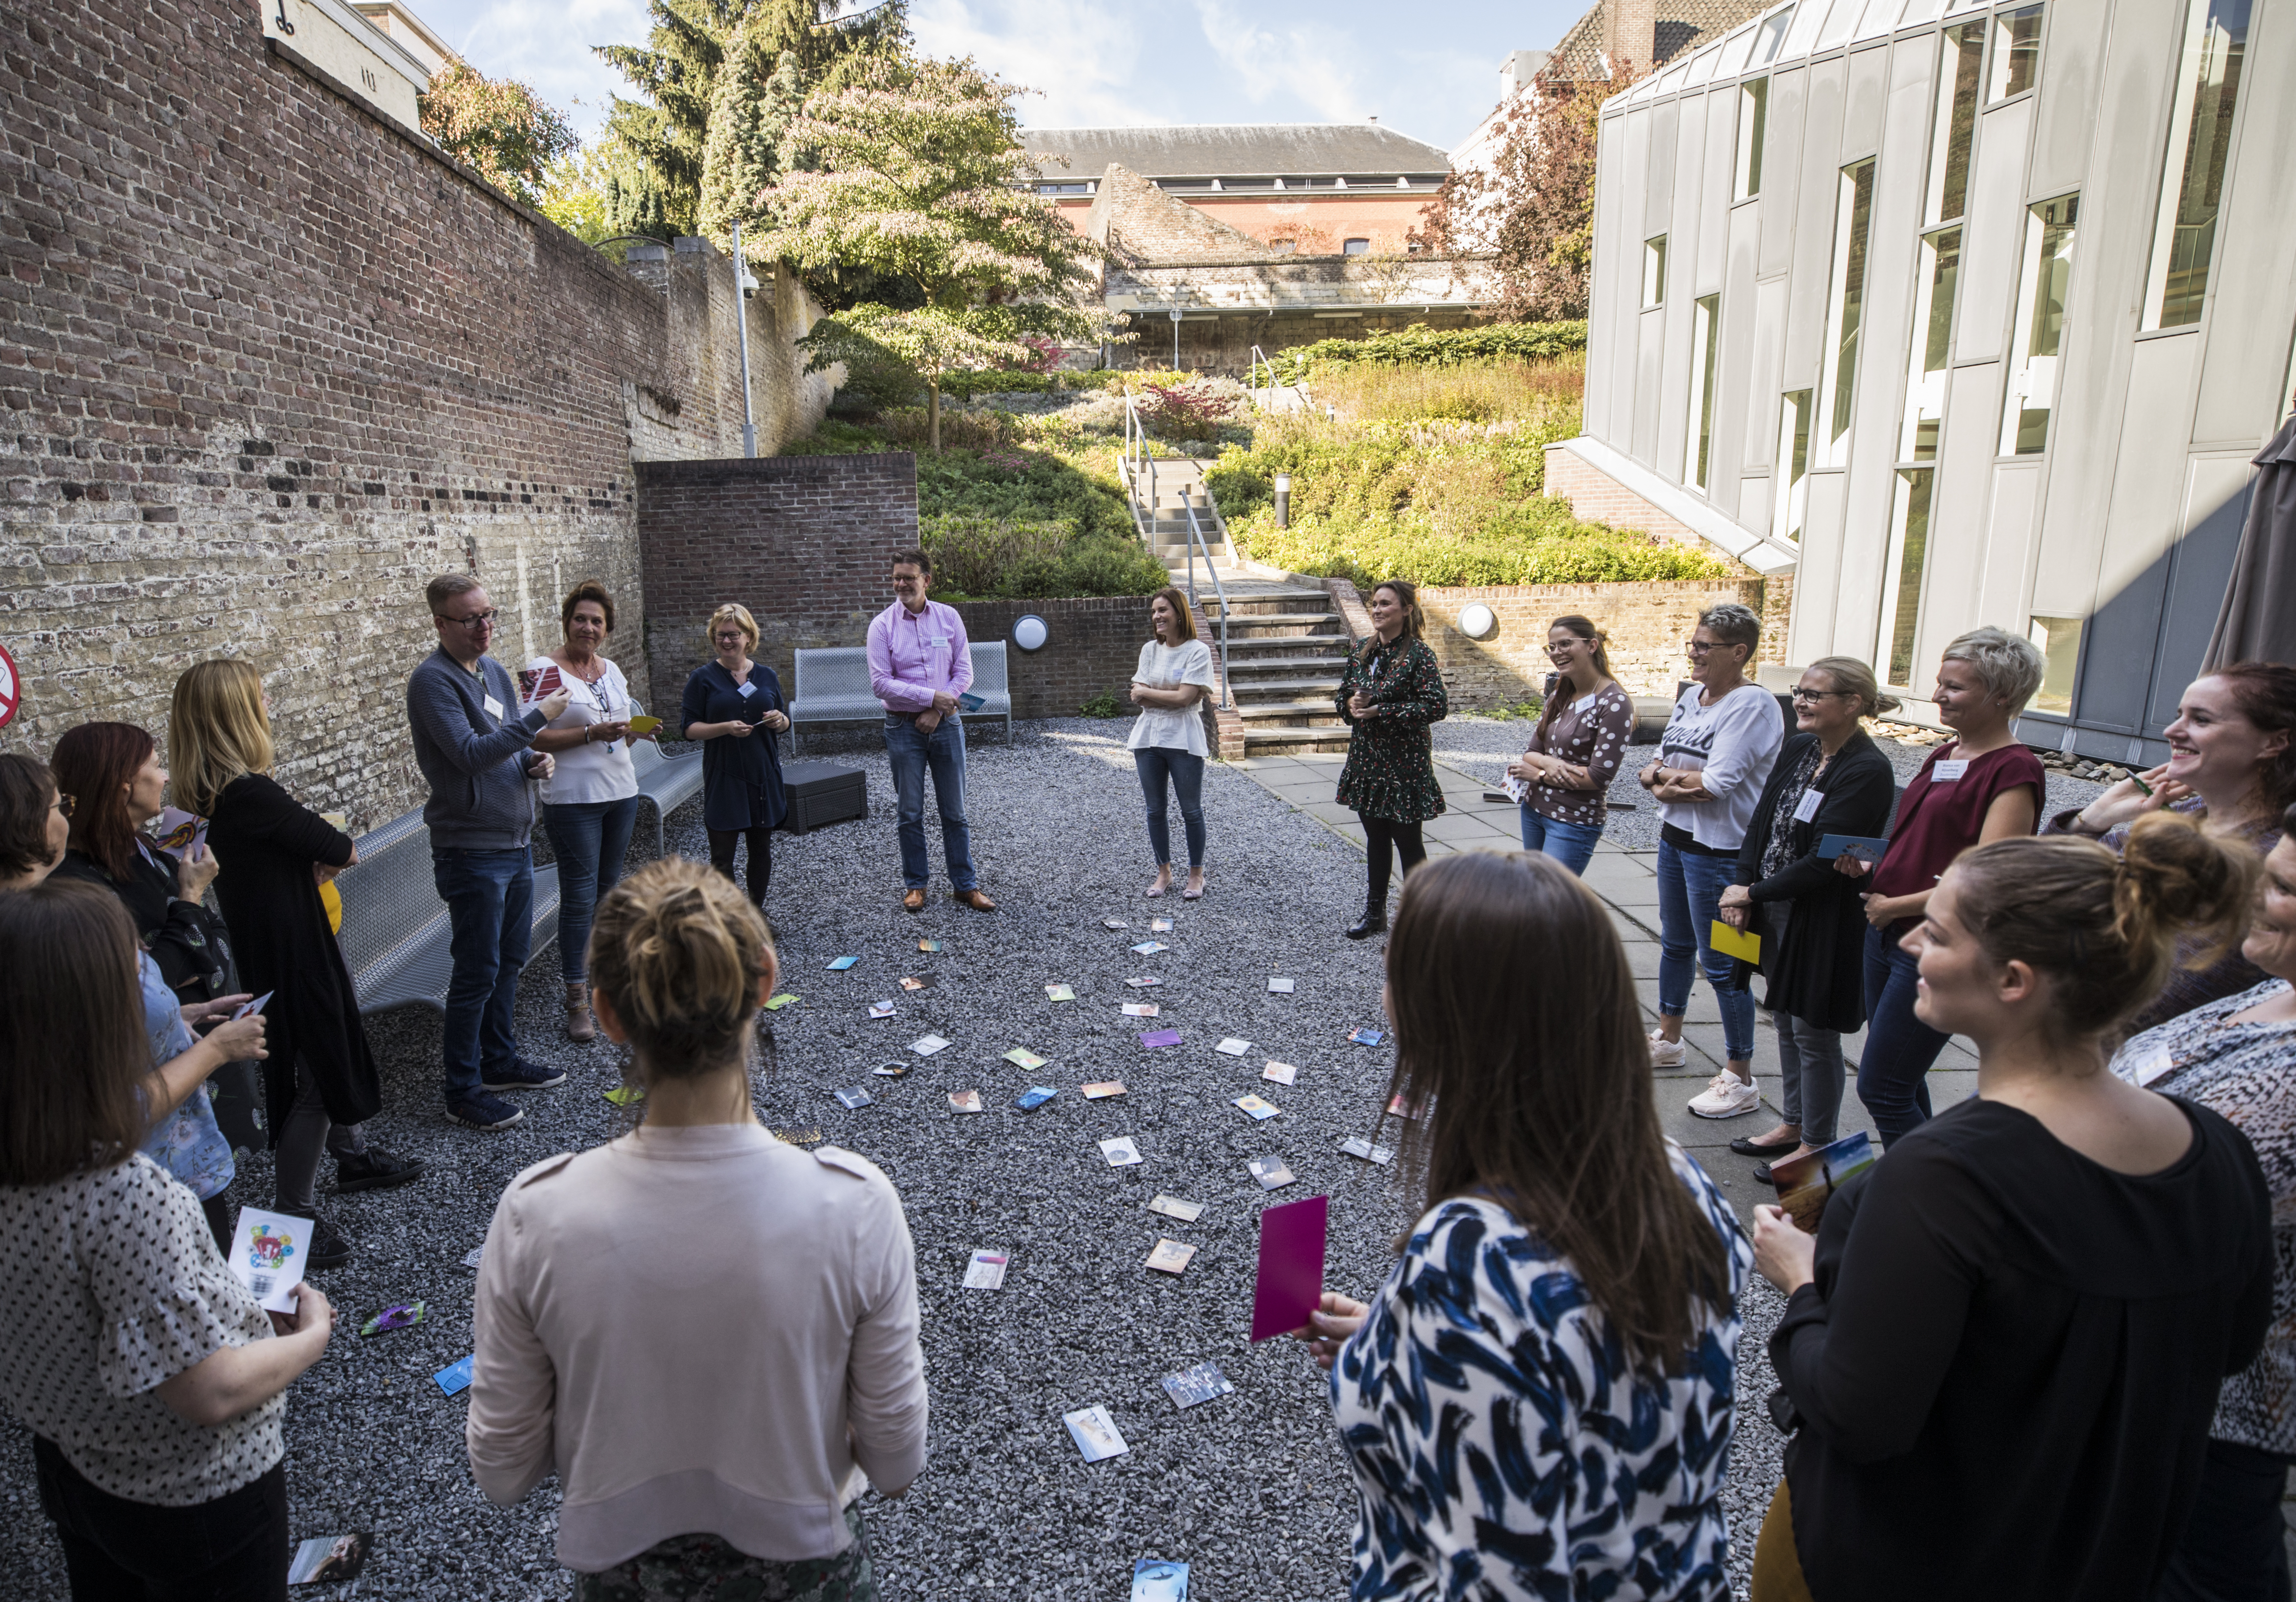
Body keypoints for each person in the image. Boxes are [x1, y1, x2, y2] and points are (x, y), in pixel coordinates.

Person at [1749, 817, 2273, 1602]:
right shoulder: (2217, 1151)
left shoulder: (1943, 1179)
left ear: (2014, 981)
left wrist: (1800, 1286)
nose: (1910, 945)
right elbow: (2230, 1348)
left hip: (1935, 1558)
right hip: (2107, 1552)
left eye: (1938, 932)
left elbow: (1860, 1416)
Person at [1292, 851, 1751, 1598]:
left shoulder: (1469, 1261)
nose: (1384, 998)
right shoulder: (1678, 1179)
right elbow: (1580, 1362)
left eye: (1395, 975)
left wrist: (1433, 1331)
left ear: (1454, 1015)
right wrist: (1403, 1337)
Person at [467, 859, 926, 1600]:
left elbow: (503, 1471)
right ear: (765, 980)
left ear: (609, 1013)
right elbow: (897, 1461)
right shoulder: (855, 1205)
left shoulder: (535, 1214)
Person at [0, 874, 335, 1602]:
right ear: (97, 1016)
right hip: (192, 1497)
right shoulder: (131, 1199)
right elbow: (209, 1391)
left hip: (71, 1464)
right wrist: (311, 1333)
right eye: (135, 972)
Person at [175, 660, 422, 1269]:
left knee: (321, 1058)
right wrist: (314, 854)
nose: (267, 706)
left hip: (267, 944)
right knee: (312, 1072)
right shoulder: (250, 792)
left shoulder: (201, 797)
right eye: (258, 698)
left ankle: (352, 1157)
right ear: (236, 713)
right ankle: (293, 1211)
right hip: (295, 950)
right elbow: (340, 846)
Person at [2106, 812, 2296, 1602]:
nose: (2257, 896)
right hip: (2160, 1374)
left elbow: (2148, 1206)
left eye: (2282, 888)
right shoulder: (2276, 991)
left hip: (2224, 1401)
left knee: (2213, 1570)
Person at [0, 753, 270, 1251]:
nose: (68, 816)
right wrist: (216, 1050)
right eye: (60, 806)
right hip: (132, 1187)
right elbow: (110, 1107)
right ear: (32, 826)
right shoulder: (65, 928)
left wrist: (173, 1012)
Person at [1838, 626, 2047, 1145]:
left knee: (1881, 1087)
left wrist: (1896, 905)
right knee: (1899, 1082)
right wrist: (1868, 864)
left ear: (2001, 694)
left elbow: (1991, 873)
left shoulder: (2014, 768)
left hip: (1934, 943)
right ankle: (1917, 1184)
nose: (1936, 696)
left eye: (1954, 687)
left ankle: (1925, 1192)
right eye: (1939, 683)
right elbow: (1916, 839)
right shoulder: (1944, 754)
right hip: (1886, 932)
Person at [1717, 659, 1900, 1182]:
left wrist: (1749, 891)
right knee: (1782, 1015)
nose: (1800, 701)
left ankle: (1817, 1146)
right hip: (1773, 903)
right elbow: (1760, 820)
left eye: (1815, 695)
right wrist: (1743, 885)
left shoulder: (1866, 768)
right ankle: (1793, 1125)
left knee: (1812, 1030)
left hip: (1820, 917)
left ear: (1853, 704)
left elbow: (1825, 861)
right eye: (1799, 691)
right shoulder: (1800, 749)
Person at [2046, 661, 2295, 1036]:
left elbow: (2173, 992)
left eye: (2202, 720)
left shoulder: (2276, 860)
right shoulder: (2185, 814)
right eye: (2180, 715)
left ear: (2274, 742)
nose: (2171, 731)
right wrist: (2092, 819)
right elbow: (2027, 884)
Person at [407, 573, 572, 1130]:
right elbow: (471, 754)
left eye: (489, 614)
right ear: (441, 623)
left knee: (510, 960)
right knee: (475, 971)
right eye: (470, 618)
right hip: (471, 850)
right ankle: (463, 1089)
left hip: (516, 841)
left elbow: (506, 752)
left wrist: (533, 762)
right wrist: (537, 721)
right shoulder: (432, 683)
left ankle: (499, 1060)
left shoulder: (495, 672)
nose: (485, 627)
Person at [1638, 602, 1783, 1115]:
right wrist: (1672, 783)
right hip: (1676, 843)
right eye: (1693, 644)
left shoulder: (1752, 705)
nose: (1694, 654)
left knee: (1727, 967)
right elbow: (1651, 765)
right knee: (1675, 944)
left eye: (1704, 646)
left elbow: (1718, 785)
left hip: (1722, 858)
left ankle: (1740, 1077)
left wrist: (1663, 783)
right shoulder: (1692, 698)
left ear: (1738, 652)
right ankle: (1670, 1040)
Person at [523, 578, 645, 1043]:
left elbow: (623, 724)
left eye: (597, 621)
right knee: (578, 899)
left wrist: (634, 731)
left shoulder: (610, 669)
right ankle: (576, 999)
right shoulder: (541, 669)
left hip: (621, 791)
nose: (588, 628)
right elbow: (530, 735)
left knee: (607, 891)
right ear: (566, 622)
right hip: (573, 799)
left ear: (607, 629)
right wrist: (593, 735)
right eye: (581, 619)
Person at [49, 722, 230, 1006]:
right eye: (158, 767)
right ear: (124, 785)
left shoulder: (147, 844)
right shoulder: (75, 885)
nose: (166, 778)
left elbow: (216, 930)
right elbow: (146, 988)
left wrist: (195, 960)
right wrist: (191, 894)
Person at [867, 548, 995, 913]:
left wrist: (937, 712)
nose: (901, 584)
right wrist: (930, 699)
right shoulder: (882, 626)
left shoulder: (949, 618)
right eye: (897, 577)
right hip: (903, 728)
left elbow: (964, 673)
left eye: (909, 577)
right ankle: (916, 885)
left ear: (927, 579)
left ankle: (965, 886)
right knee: (909, 811)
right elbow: (881, 684)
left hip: (946, 726)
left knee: (955, 812)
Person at [1335, 579, 1448, 940]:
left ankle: (1418, 919)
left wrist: (1384, 711)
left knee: (1408, 842)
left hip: (1404, 764)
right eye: (1375, 604)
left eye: (1386, 604)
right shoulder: (1361, 651)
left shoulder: (1419, 655)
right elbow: (1342, 697)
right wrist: (1350, 706)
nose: (1377, 610)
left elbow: (1436, 706)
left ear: (1406, 610)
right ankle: (1375, 914)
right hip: (1367, 761)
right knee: (1376, 839)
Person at [679, 602, 789, 914]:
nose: (726, 641)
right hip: (724, 775)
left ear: (749, 636)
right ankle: (731, 918)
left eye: (733, 635)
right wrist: (724, 728)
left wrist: (780, 721)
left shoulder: (766, 675)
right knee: (722, 856)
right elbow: (688, 729)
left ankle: (756, 912)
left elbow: (784, 721)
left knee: (761, 850)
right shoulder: (702, 678)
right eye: (720, 635)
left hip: (762, 775)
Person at [1507, 614, 1633, 876]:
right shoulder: (1560, 693)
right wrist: (1547, 763)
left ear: (1591, 646)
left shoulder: (1615, 703)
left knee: (1553, 905)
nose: (1556, 653)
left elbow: (1598, 777)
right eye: (1551, 647)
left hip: (1573, 821)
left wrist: (1540, 776)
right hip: (1533, 811)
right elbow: (1531, 752)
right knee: (1532, 895)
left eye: (1565, 644)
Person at [1127, 586, 1216, 900]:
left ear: (1180, 614)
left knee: (1191, 811)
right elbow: (1138, 693)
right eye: (1154, 612)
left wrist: (1152, 694)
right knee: (1155, 810)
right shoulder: (1150, 650)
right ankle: (1164, 872)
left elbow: (1184, 698)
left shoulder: (1197, 652)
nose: (1157, 617)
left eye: (1163, 610)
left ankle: (1196, 875)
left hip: (1184, 738)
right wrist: (1165, 697)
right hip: (1148, 737)